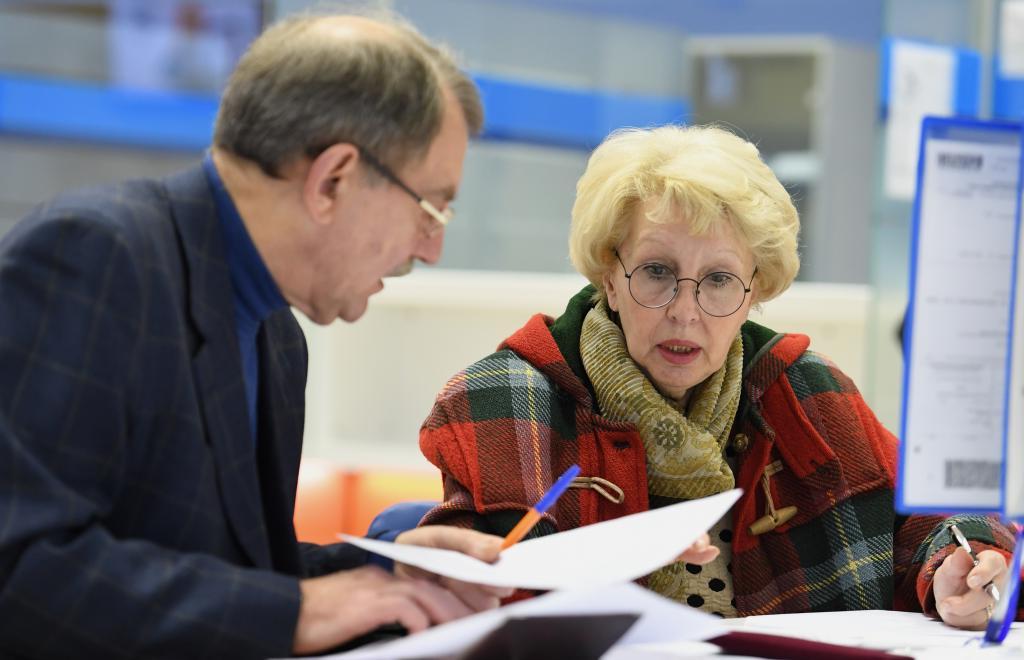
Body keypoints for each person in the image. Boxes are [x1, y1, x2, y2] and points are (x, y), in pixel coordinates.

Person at [0, 13, 515, 659]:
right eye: (431, 209)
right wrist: (297, 611)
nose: (431, 249)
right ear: (333, 180)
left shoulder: (278, 334)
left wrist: (385, 572)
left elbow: (234, 573)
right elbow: (18, 567)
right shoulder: (95, 257)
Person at [419, 124, 1018, 629]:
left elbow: (932, 518)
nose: (686, 311)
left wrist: (963, 563)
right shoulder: (504, 401)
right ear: (608, 276)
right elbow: (453, 588)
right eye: (656, 271)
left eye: (720, 280)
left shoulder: (805, 392)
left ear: (755, 290)